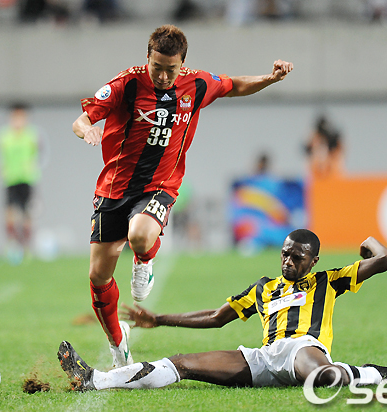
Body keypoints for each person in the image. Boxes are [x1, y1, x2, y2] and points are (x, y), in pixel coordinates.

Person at [71, 24, 293, 368]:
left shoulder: (197, 84)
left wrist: (271, 78)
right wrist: (88, 129)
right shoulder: (126, 84)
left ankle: (144, 260)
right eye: (156, 67)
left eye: (170, 69)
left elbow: (235, 85)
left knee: (139, 234)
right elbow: (82, 120)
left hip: (160, 185)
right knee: (98, 278)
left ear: (182, 64)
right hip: (113, 188)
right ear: (147, 58)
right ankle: (118, 342)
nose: (162, 76)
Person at [58, 229, 387, 391]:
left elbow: (386, 258)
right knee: (181, 363)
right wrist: (159, 319)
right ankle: (95, 380)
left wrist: (368, 244)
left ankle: (375, 374)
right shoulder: (264, 287)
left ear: (313, 262)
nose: (288, 261)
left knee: (323, 377)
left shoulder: (327, 280)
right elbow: (217, 317)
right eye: (285, 254)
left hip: (302, 348)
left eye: (297, 257)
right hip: (264, 358)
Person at [0, 102, 43, 265]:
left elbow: (40, 155)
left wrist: (33, 169)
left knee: (27, 215)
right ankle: (12, 247)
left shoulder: (32, 135)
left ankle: (26, 248)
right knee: (9, 214)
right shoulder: (3, 136)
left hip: (27, 179)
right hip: (10, 180)